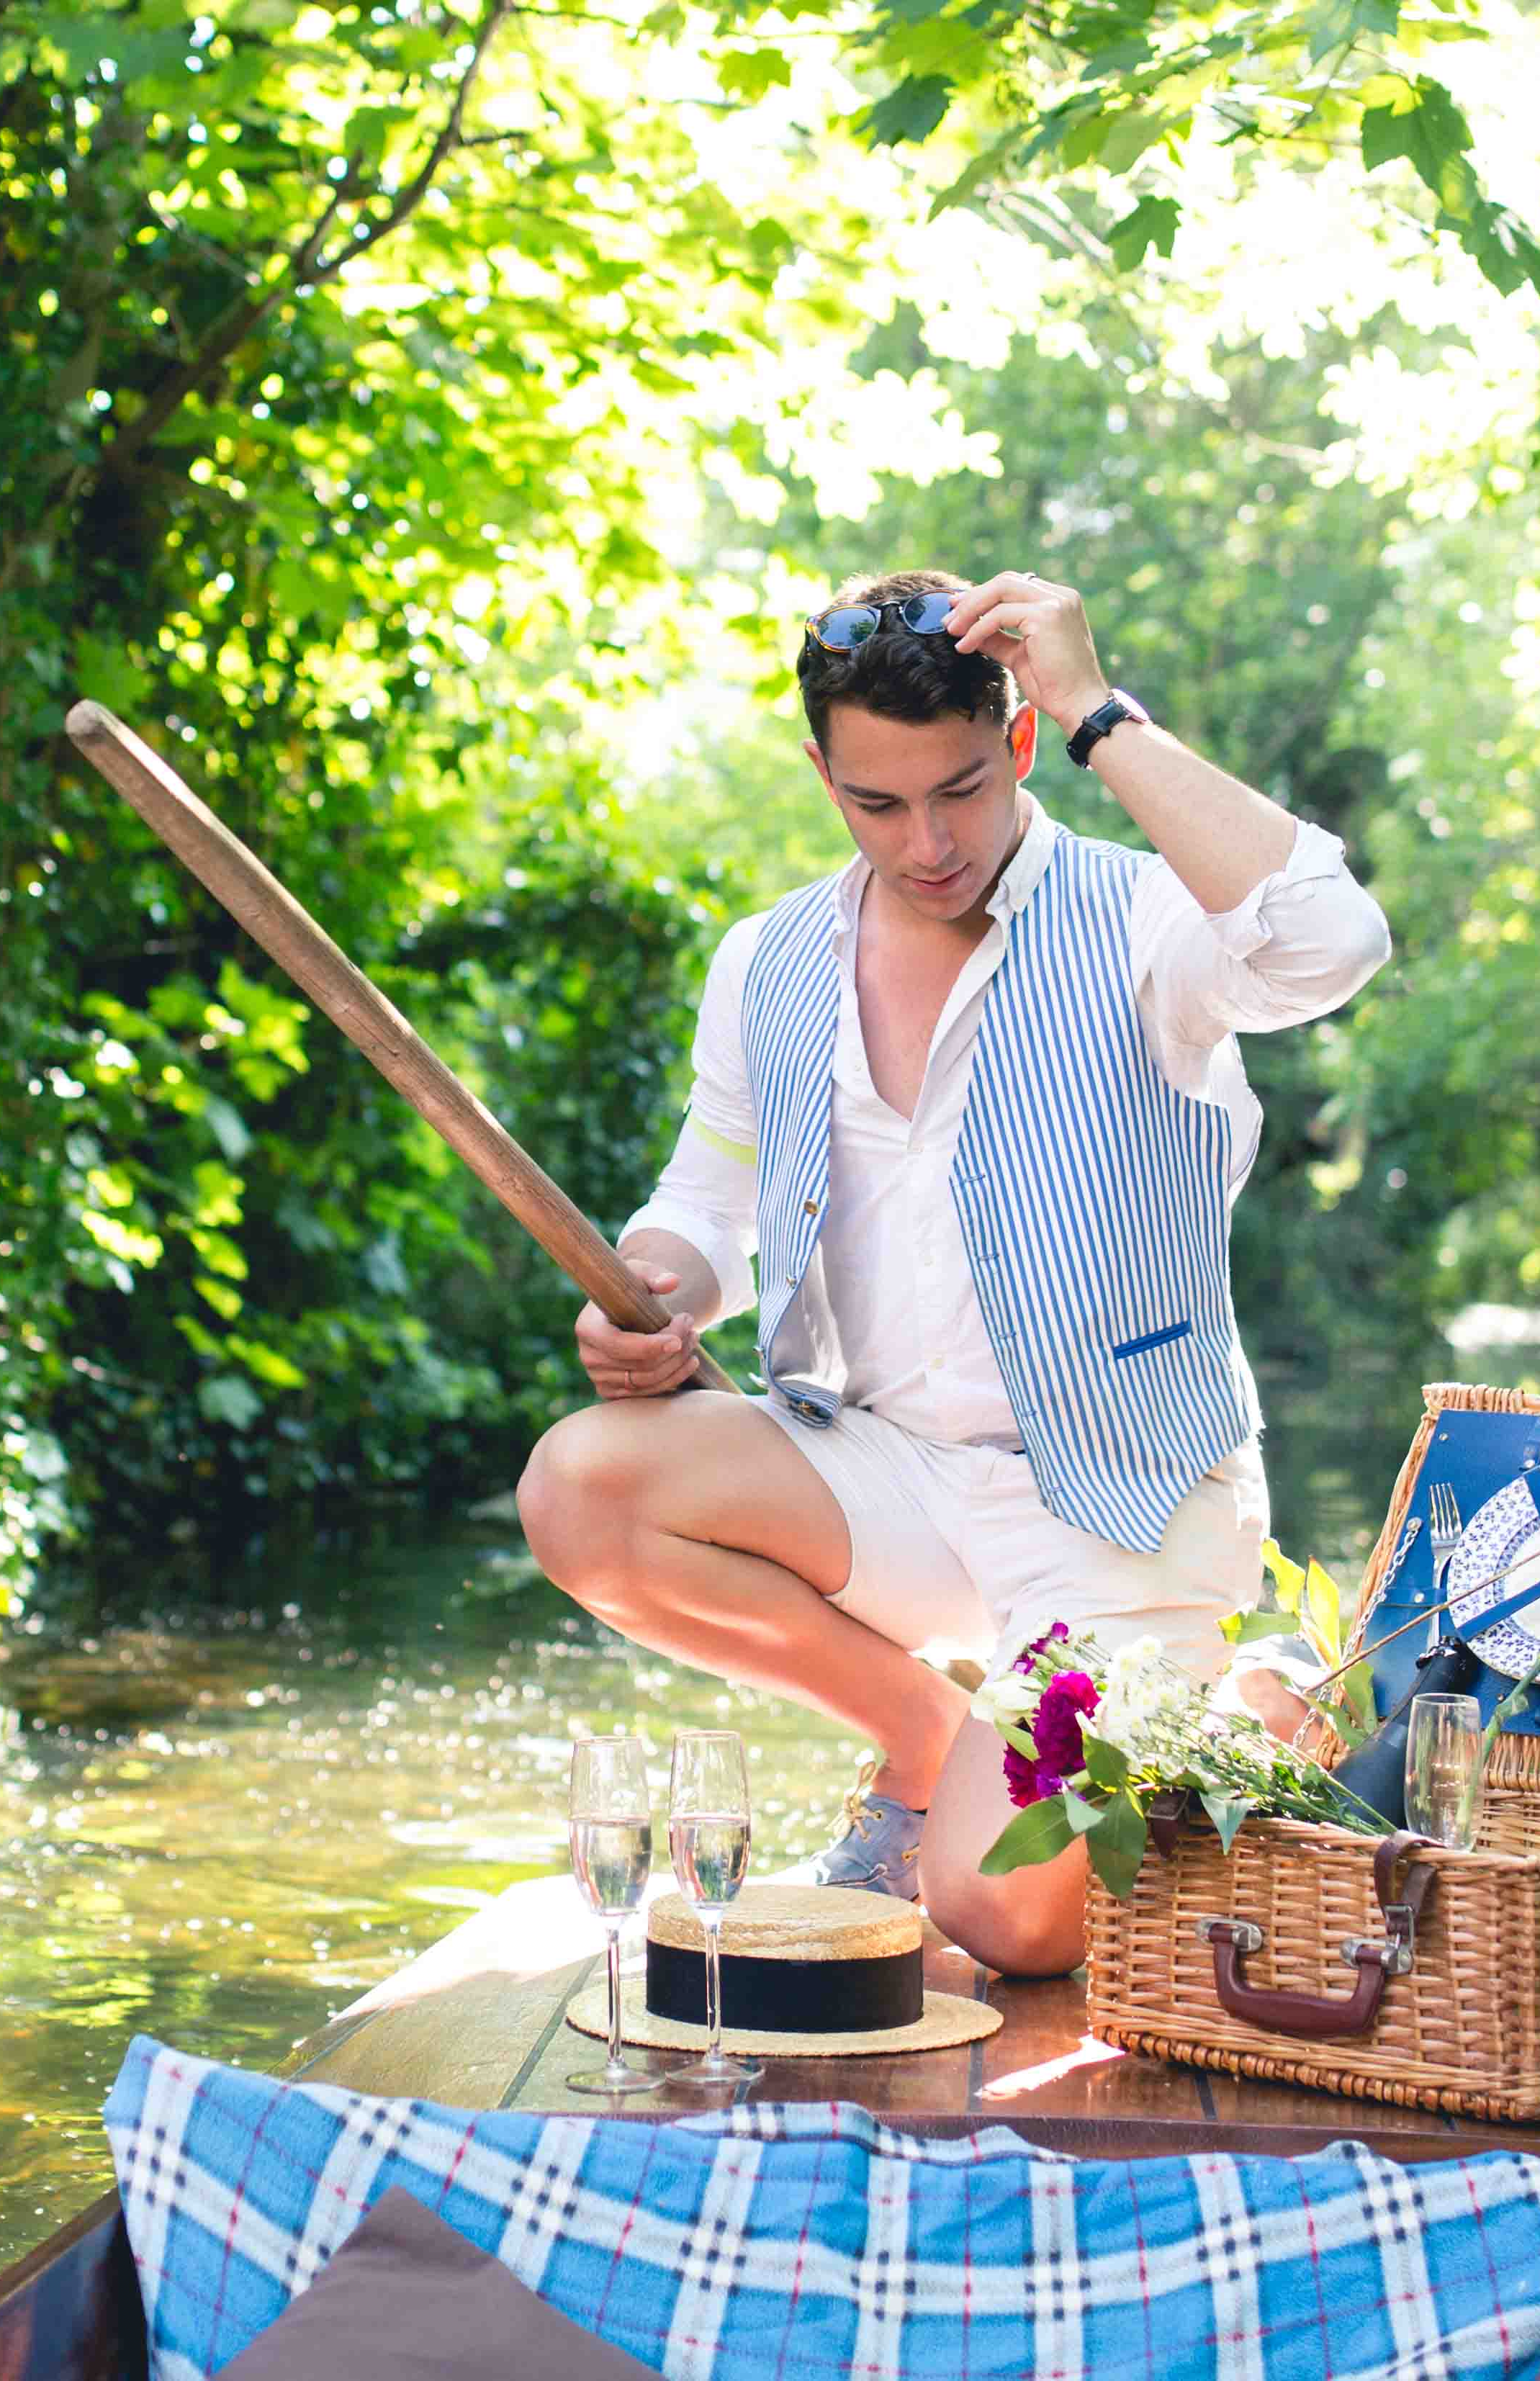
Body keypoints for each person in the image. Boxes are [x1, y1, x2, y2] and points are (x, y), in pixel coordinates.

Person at [515, 567, 1390, 1977]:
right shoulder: (768, 962)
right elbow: (699, 1203)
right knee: (580, 1481)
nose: (926, 843)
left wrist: (1103, 708)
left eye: (961, 789)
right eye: (877, 802)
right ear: (820, 772)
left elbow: (1331, 937)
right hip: (892, 1478)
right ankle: (922, 1737)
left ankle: (1244, 1704)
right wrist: (658, 1288)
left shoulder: (1145, 925)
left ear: (1023, 744)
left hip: (1119, 1505)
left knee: (997, 1916)